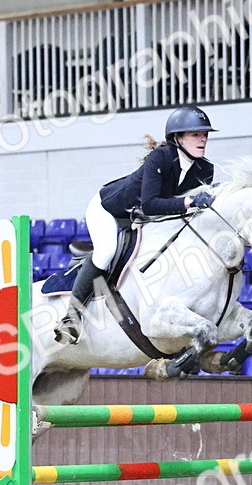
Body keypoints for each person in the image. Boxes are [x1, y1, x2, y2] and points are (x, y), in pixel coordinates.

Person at [54, 105, 218, 345]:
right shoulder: (160, 157)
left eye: (205, 134)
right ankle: (71, 317)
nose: (203, 138)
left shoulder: (206, 169)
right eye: (195, 134)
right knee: (106, 251)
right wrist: (190, 201)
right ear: (178, 138)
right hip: (109, 209)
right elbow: (151, 204)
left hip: (141, 217)